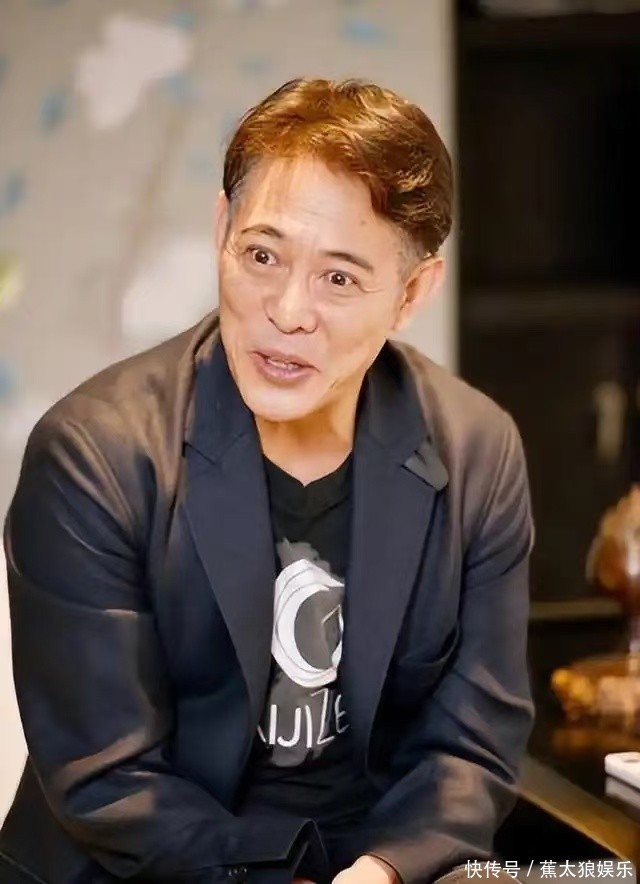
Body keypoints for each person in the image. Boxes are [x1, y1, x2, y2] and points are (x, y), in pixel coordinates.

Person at [0, 78, 534, 884]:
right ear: (222, 231)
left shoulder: (477, 452)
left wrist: (383, 871)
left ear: (412, 293)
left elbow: (470, 747)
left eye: (339, 278)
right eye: (261, 255)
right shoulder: (94, 454)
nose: (286, 311)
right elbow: (109, 779)